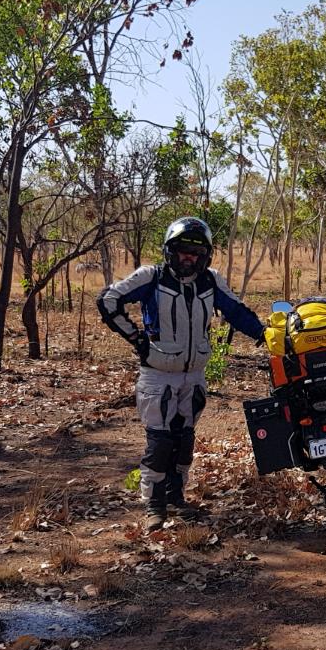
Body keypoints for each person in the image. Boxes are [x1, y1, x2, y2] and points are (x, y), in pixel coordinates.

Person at [97, 217, 265, 529]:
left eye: (196, 252)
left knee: (184, 440)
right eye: (183, 250)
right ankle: (154, 505)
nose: (189, 257)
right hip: (158, 374)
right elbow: (108, 300)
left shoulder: (211, 282)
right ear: (170, 250)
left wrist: (265, 334)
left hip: (194, 375)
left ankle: (176, 499)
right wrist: (136, 338)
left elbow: (236, 312)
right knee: (160, 441)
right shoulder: (151, 277)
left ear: (206, 256)